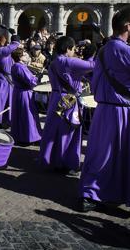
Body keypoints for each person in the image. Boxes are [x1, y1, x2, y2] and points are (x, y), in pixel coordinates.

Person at [79, 10, 130, 212]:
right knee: (115, 155)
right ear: (127, 26)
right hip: (121, 111)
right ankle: (98, 193)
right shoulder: (123, 50)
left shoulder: (104, 50)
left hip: (103, 109)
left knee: (101, 154)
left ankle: (95, 192)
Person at [39, 36, 95, 175]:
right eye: (73, 48)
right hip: (68, 99)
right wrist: (90, 54)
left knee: (53, 130)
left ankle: (50, 159)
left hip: (55, 98)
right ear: (68, 48)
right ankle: (64, 163)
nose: (74, 51)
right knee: (68, 132)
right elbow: (93, 66)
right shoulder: (69, 61)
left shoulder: (54, 61)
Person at [10, 48, 42, 145]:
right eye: (24, 55)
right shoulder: (20, 67)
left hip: (18, 92)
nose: (26, 56)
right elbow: (30, 81)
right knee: (27, 115)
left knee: (20, 115)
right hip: (24, 93)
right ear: (20, 57)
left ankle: (20, 136)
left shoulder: (16, 66)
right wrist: (38, 78)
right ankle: (29, 137)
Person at [0, 34, 20, 128]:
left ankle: (6, 120)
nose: (6, 42)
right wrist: (15, 39)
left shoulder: (0, 51)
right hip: (2, 79)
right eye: (4, 41)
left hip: (6, 79)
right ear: (0, 42)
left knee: (8, 100)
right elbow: (14, 45)